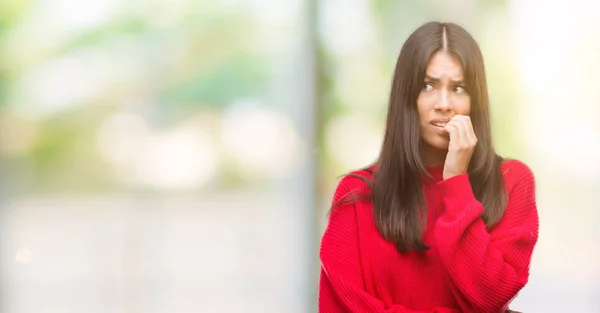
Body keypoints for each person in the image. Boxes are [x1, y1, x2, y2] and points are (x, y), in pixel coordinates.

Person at [318, 21, 539, 313]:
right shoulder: (356, 195)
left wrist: (456, 182)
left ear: (476, 101)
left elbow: (489, 297)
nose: (444, 103)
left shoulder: (511, 181)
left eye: (458, 88)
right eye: (428, 86)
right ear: (406, 96)